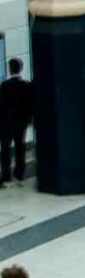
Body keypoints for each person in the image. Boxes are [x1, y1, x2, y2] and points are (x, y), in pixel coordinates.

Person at [0, 59, 32, 188]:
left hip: (6, 123)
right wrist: (28, 119)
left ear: (10, 69)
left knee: (6, 149)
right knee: (20, 147)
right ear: (21, 68)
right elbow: (29, 105)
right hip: (21, 122)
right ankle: (20, 174)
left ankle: (6, 176)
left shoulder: (4, 86)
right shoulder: (26, 85)